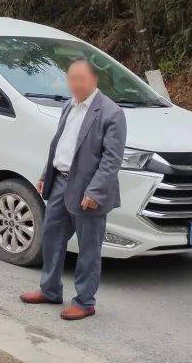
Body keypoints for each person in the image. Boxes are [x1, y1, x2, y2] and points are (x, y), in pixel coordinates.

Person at [20, 59, 126, 321]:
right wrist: (47, 175)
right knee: (51, 237)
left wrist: (95, 192)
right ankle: (50, 289)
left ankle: (85, 301)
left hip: (88, 190)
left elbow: (112, 159)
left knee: (88, 249)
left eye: (81, 79)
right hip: (60, 183)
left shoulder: (111, 113)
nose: (75, 85)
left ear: (94, 80)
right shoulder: (69, 105)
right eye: (71, 79)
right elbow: (61, 146)